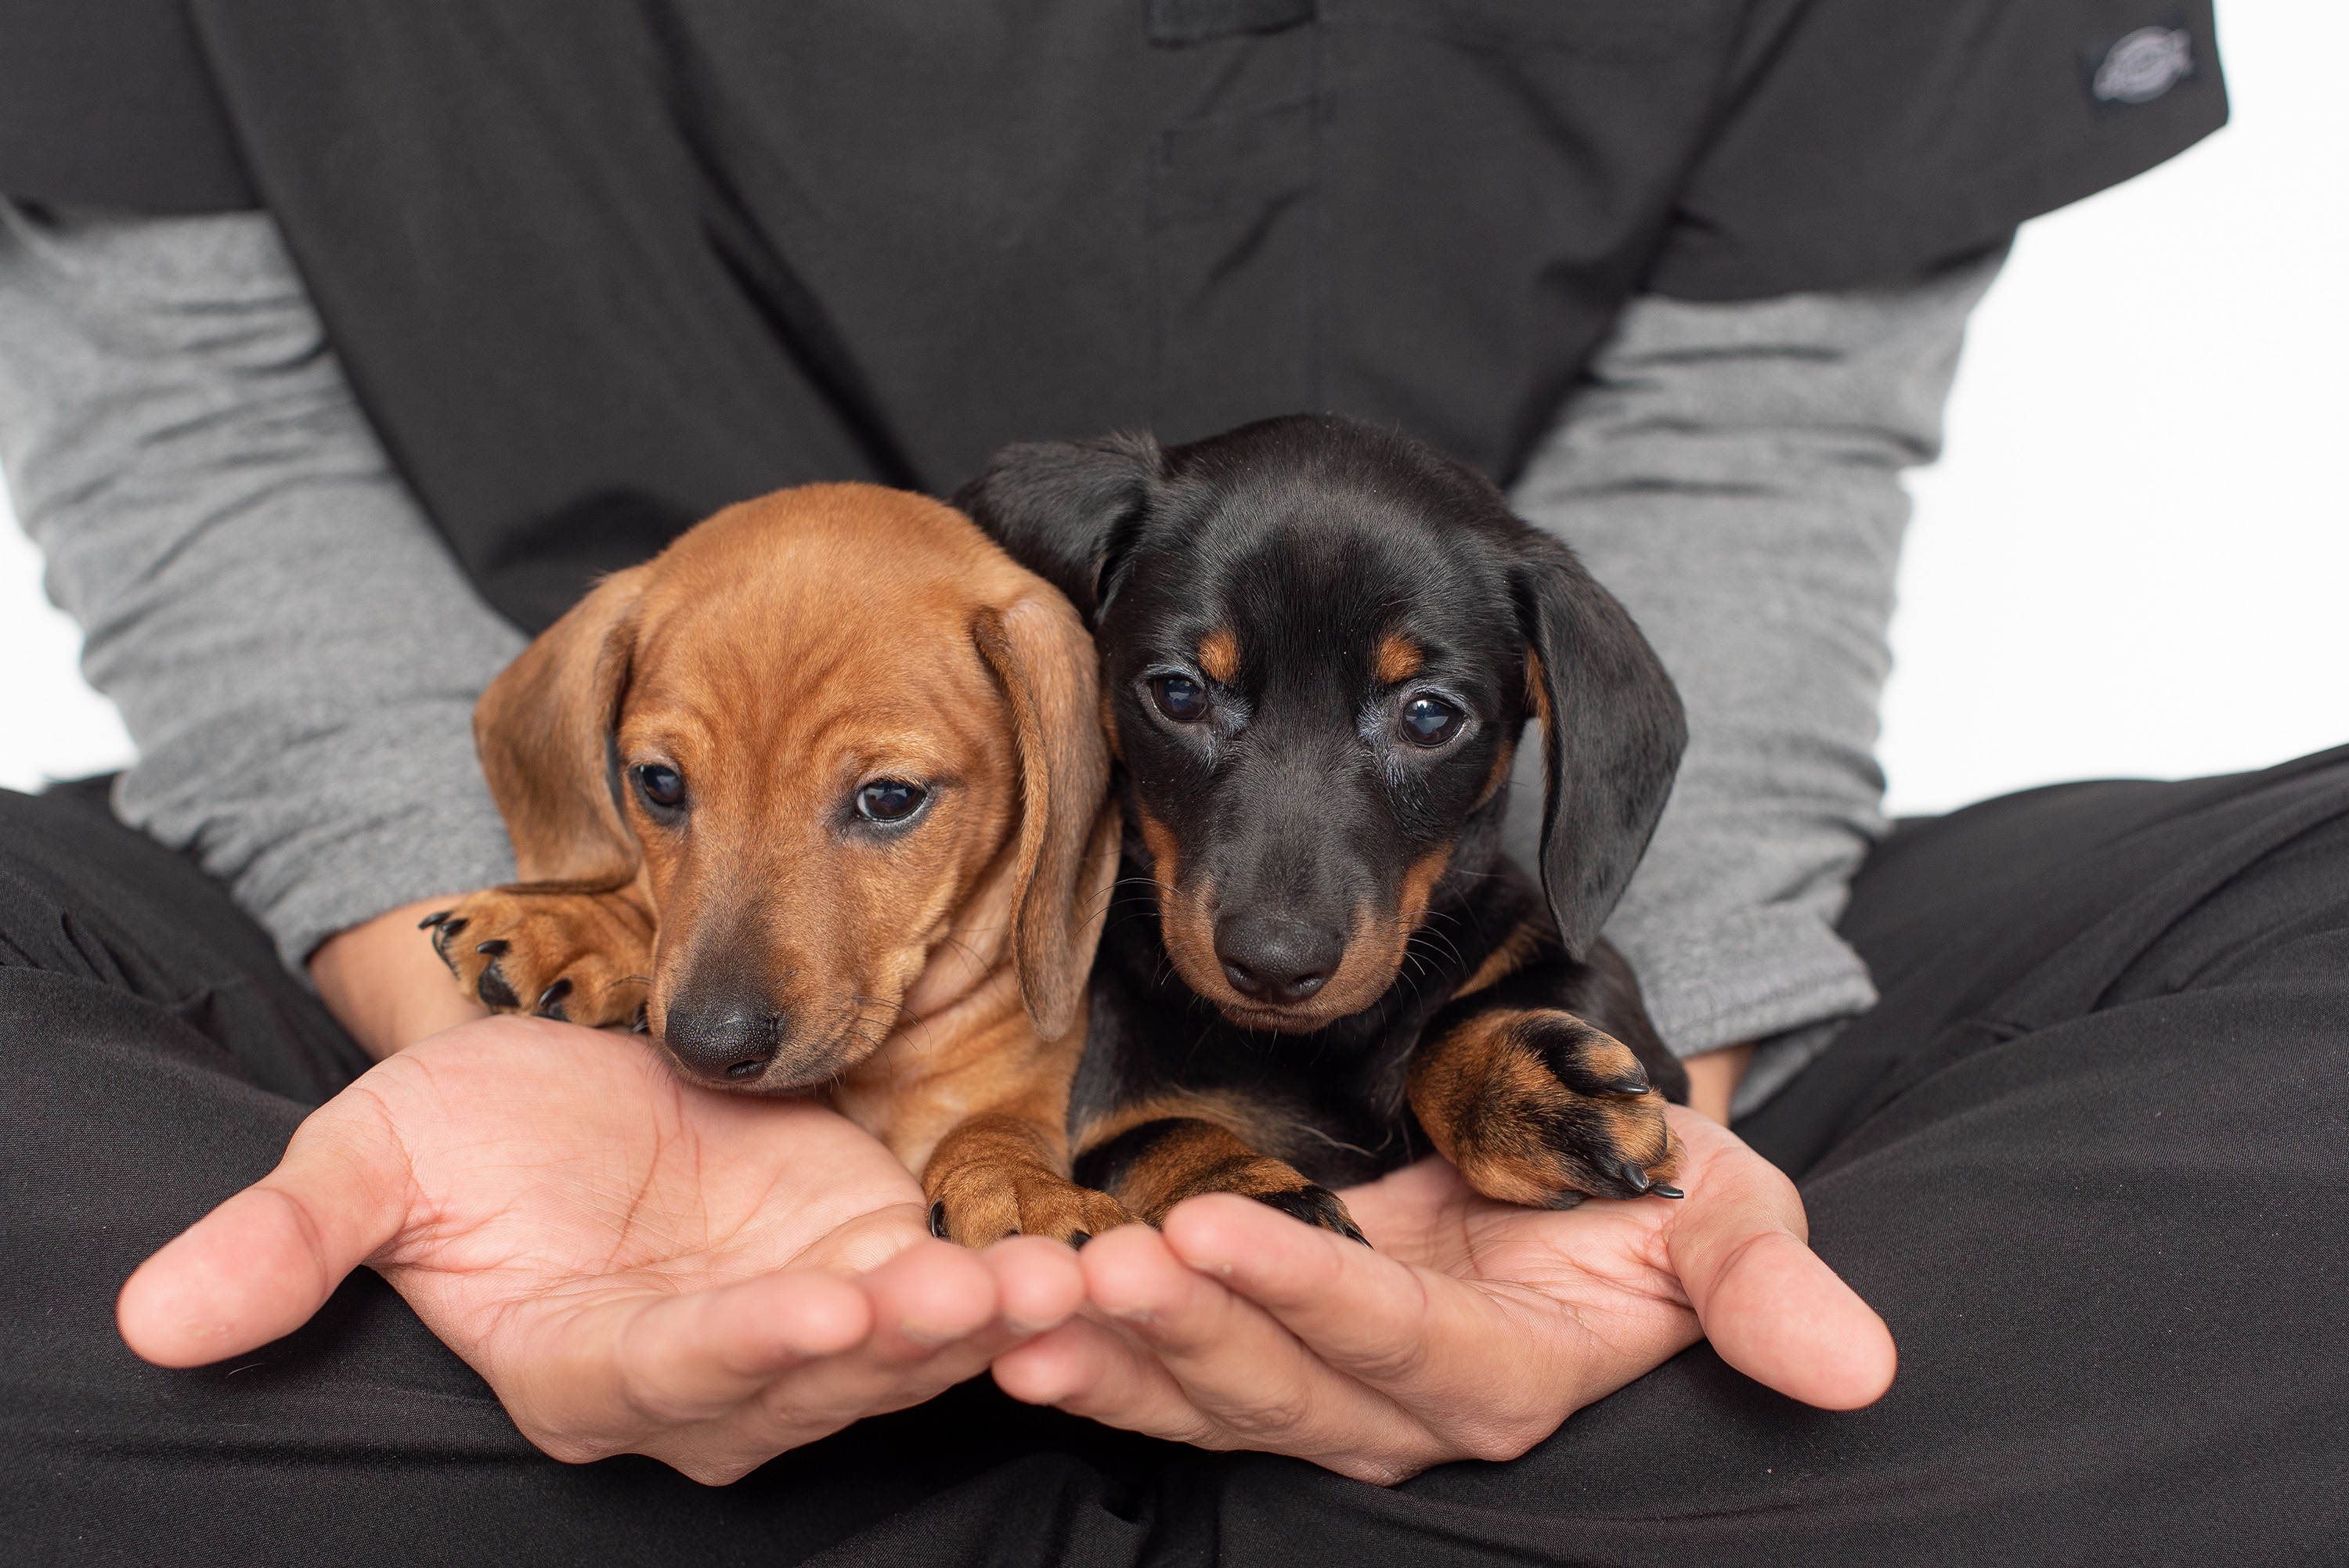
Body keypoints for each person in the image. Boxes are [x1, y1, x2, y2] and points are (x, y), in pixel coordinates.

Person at [4, 2, 2340, 1563]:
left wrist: (1620, 1092)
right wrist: (505, 994)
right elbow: (201, 413)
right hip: (501, 918)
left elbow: (1743, 437)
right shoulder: (600, 790)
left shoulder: (1486, 767)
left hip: (1468, 966)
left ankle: (966, 1455)